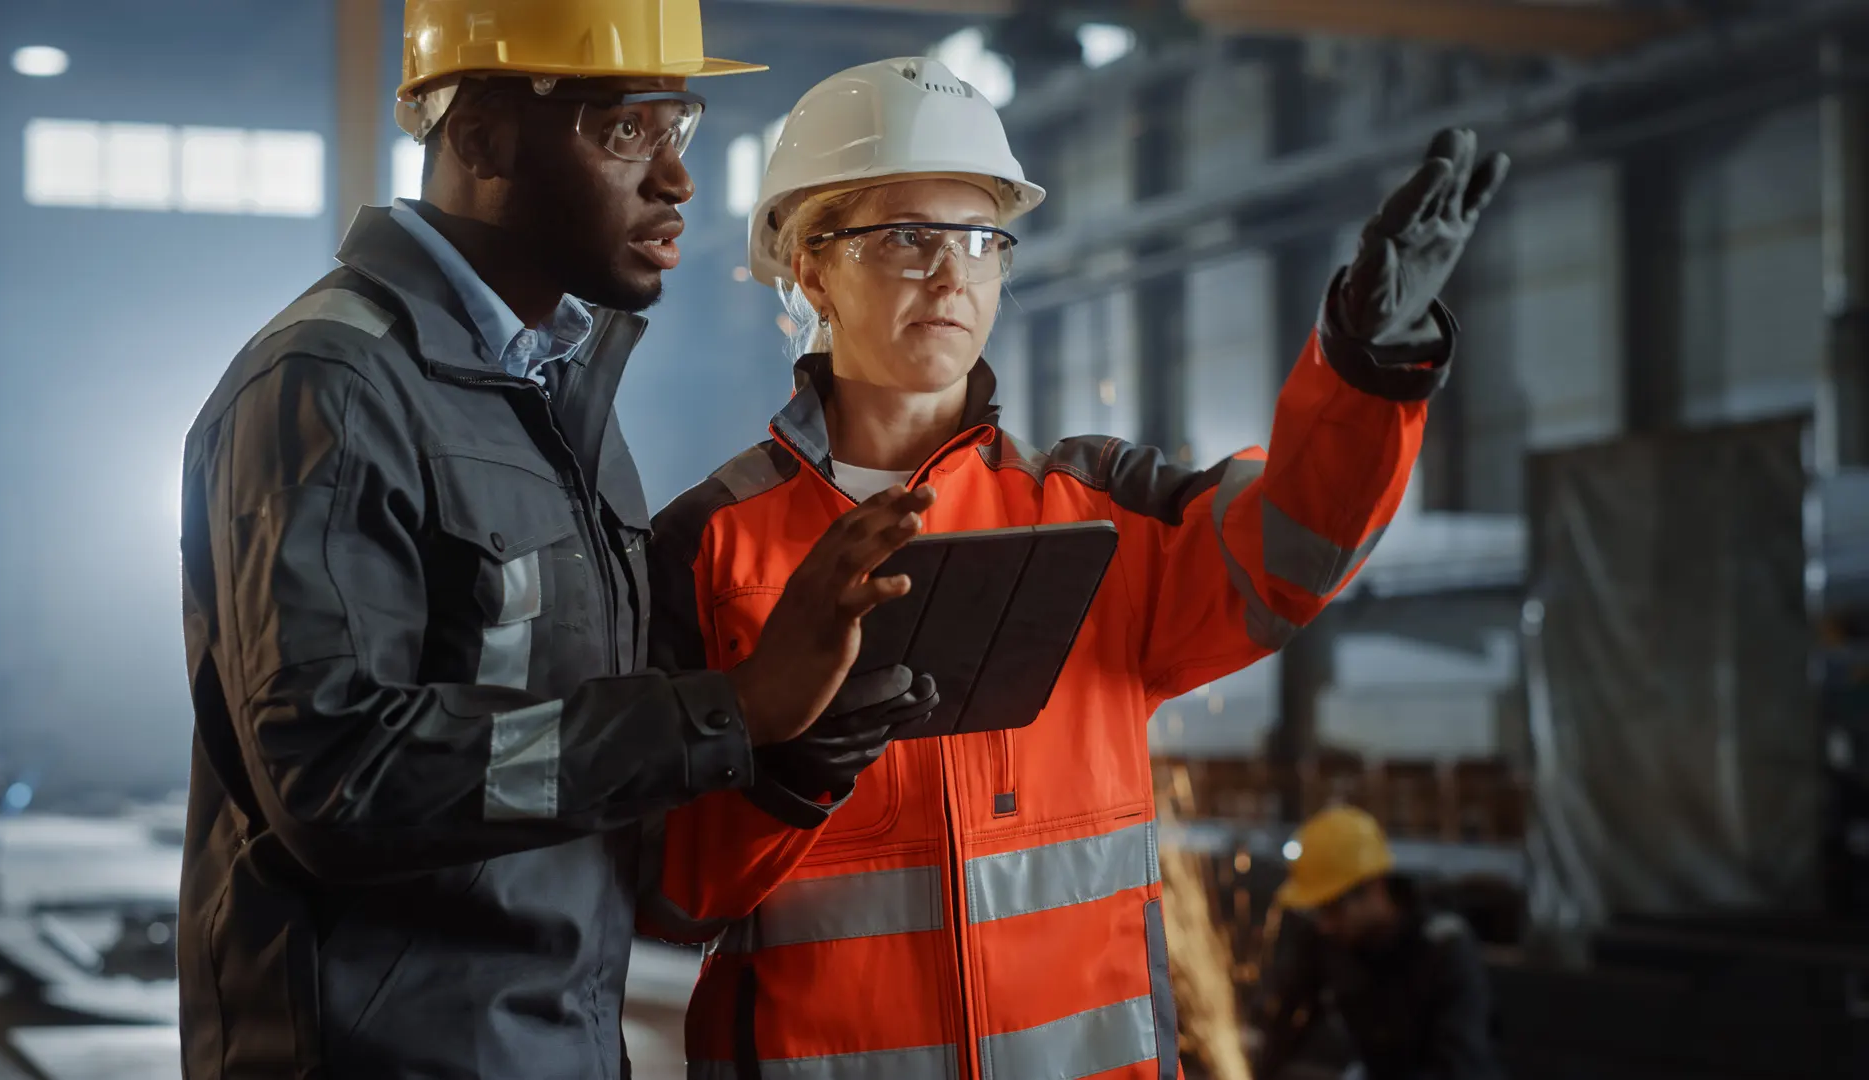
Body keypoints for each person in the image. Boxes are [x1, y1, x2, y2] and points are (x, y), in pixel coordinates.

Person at [641, 55, 1509, 1077]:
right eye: (907, 235)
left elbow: (1292, 549)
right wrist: (783, 769)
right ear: (811, 266)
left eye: (980, 239)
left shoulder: (1100, 515)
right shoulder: (707, 549)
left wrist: (1365, 370)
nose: (952, 272)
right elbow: (662, 891)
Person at [175, 4, 939, 1078]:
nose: (675, 179)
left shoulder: (550, 392)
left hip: (560, 1045)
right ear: (481, 136)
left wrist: (780, 749)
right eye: (626, 132)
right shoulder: (334, 388)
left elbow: (560, 754)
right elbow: (339, 781)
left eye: (680, 125)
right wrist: (728, 710)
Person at [1253, 807, 1502, 1080]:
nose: (1325, 924)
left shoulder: (1445, 950)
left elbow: (1459, 1068)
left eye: (1333, 910)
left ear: (1374, 887)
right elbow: (1286, 1023)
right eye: (1319, 912)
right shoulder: (1329, 941)